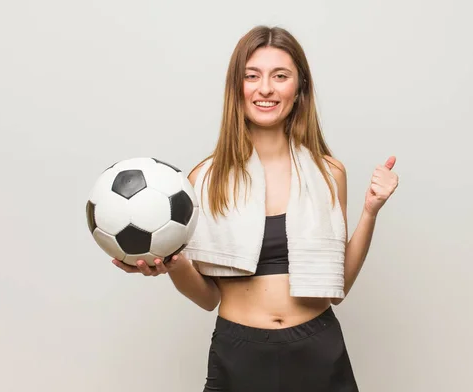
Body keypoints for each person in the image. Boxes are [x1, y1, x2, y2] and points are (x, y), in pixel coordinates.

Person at [113, 25, 399, 392]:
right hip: (238, 352)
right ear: (237, 89)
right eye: (252, 76)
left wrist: (371, 211)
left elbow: (337, 288)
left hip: (319, 349)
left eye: (280, 76)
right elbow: (208, 298)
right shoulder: (204, 179)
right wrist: (174, 264)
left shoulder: (329, 173)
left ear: (299, 90)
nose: (266, 88)